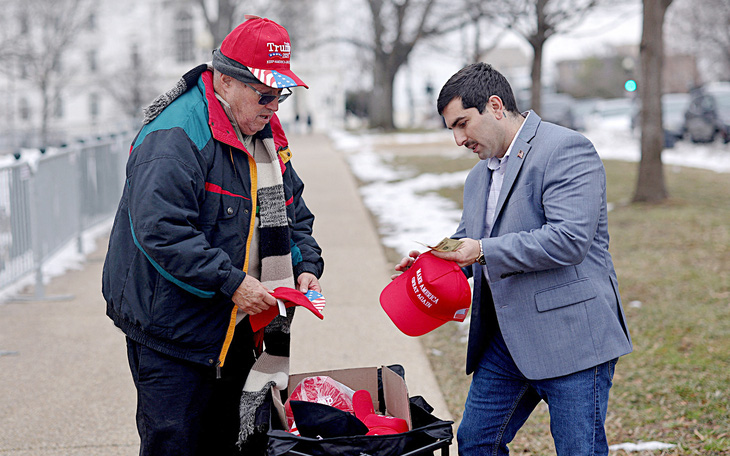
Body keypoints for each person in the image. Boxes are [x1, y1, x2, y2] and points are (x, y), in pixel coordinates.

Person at [102, 16, 324, 456]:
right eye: (265, 93)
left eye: (282, 93)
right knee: (177, 445)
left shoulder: (263, 132)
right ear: (224, 80)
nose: (274, 105)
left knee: (237, 442)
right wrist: (233, 283)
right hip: (171, 329)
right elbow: (161, 230)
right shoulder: (175, 134)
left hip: (238, 322)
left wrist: (306, 266)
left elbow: (294, 210)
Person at [392, 63, 632, 455]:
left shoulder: (566, 149)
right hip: (505, 340)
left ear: (496, 106)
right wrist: (434, 260)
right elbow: (470, 238)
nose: (458, 139)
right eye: (452, 128)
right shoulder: (478, 176)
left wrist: (483, 251)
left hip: (572, 337)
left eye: (463, 124)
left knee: (579, 450)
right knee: (476, 442)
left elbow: (569, 240)